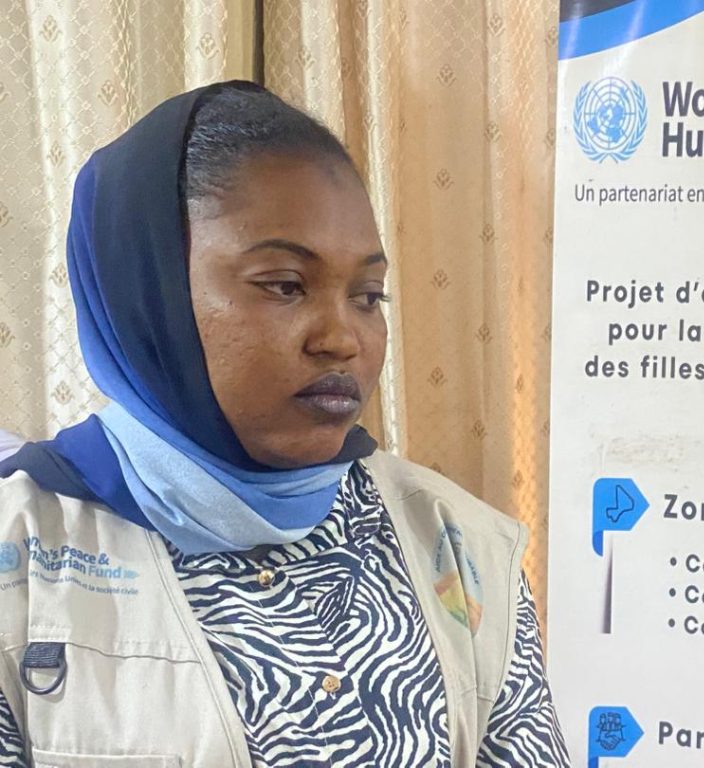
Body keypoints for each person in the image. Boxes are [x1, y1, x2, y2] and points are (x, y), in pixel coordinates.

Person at [0, 82, 570, 768]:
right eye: (285, 285)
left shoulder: (459, 544)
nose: (342, 338)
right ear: (148, 289)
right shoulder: (22, 559)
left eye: (368, 296)